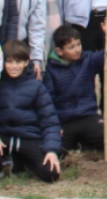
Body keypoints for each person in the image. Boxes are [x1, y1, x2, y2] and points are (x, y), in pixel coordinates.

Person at [0, 40, 61, 183]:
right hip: (4, 137)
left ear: (26, 62)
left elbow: (50, 121)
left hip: (29, 137)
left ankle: (19, 161)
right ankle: (10, 161)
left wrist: (51, 150)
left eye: (18, 61)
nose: (14, 66)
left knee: (51, 174)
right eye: (9, 62)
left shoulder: (37, 87)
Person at [43, 26, 105, 151]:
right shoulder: (51, 69)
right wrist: (55, 125)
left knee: (103, 136)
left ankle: (85, 145)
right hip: (65, 119)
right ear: (60, 51)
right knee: (59, 149)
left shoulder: (87, 59)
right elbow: (49, 100)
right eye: (71, 47)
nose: (77, 50)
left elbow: (106, 55)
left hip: (88, 115)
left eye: (78, 45)